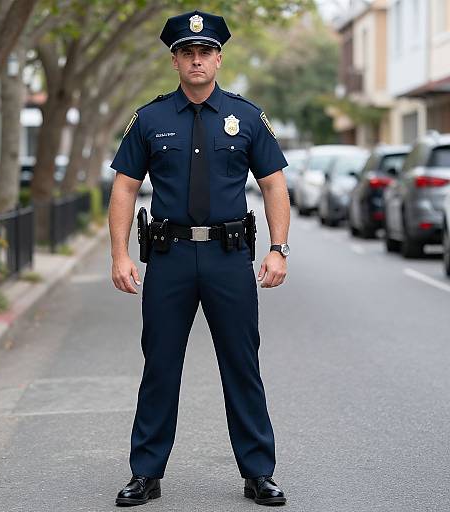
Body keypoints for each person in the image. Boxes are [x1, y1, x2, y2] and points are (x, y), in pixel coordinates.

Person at [108, 10, 291, 507]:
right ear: (175, 60)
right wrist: (120, 254)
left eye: (205, 52)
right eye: (187, 53)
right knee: (160, 366)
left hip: (229, 260)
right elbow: (125, 187)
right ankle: (145, 473)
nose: (197, 60)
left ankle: (258, 473)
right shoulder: (150, 119)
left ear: (218, 58)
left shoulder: (246, 116)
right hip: (168, 259)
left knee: (241, 365)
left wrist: (278, 248)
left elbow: (274, 185)